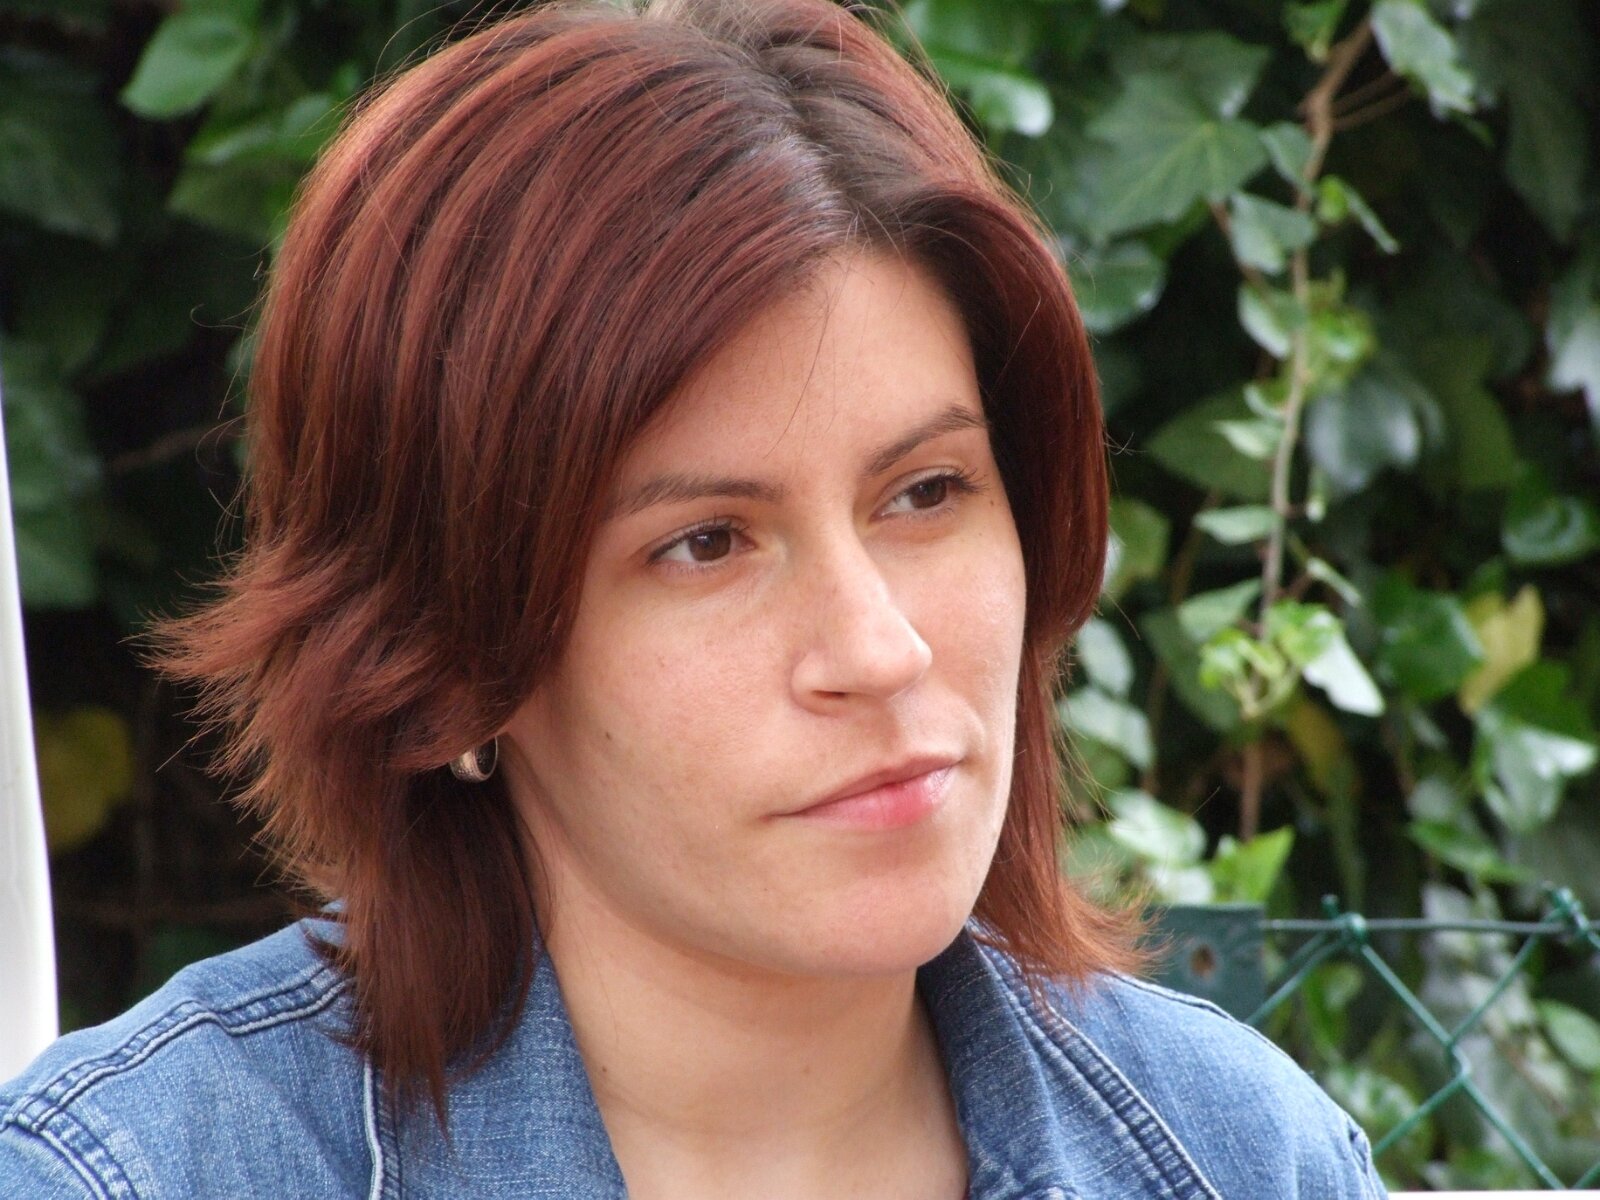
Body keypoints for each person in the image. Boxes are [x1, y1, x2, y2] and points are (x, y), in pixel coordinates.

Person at [0, 0, 1388, 1195]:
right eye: (707, 543)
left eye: (927, 492)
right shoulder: (139, 1173)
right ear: (447, 653)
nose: (880, 648)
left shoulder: (1239, 1156)